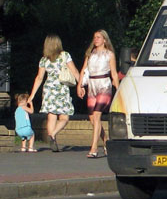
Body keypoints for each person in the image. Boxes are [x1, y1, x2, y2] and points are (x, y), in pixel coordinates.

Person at [29, 34, 78, 151]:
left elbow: (39, 78)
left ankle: (53, 140)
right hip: (61, 89)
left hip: (49, 90)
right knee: (65, 118)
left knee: (51, 117)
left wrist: (32, 95)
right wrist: (80, 84)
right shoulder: (65, 55)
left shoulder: (44, 60)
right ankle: (53, 134)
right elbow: (74, 71)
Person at [77, 29, 118, 158]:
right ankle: (105, 140)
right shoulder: (90, 54)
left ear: (104, 40)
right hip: (92, 85)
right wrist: (80, 85)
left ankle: (94, 148)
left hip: (104, 84)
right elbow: (84, 70)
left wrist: (118, 90)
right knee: (92, 118)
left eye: (99, 37)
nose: (96, 40)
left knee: (97, 115)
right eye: (95, 37)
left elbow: (114, 73)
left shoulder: (109, 54)